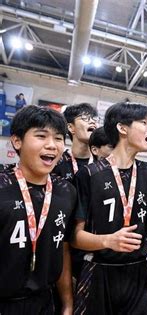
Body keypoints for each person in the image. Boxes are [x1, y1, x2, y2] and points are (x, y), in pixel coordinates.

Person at [71, 102, 147, 315]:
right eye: (144, 123)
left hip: (138, 272)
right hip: (98, 272)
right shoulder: (89, 174)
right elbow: (74, 237)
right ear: (122, 128)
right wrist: (107, 240)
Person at [0, 105, 76, 314]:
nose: (52, 145)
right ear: (17, 141)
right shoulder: (3, 186)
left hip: (44, 302)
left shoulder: (66, 191)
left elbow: (63, 248)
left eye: (59, 138)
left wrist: (67, 304)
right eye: (41, 136)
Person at [52, 103, 98, 181]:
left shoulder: (101, 163)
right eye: (85, 118)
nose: (92, 122)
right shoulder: (57, 162)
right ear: (70, 127)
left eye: (94, 119)